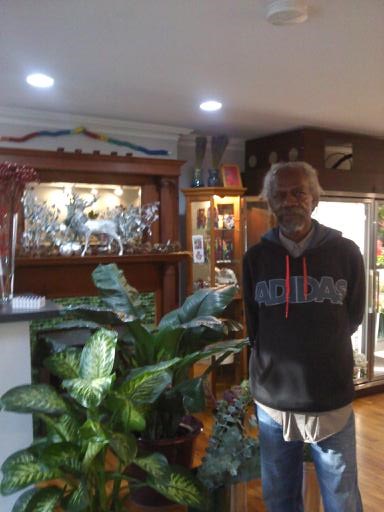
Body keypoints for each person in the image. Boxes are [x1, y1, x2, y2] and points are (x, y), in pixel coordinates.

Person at [242, 161, 365, 512]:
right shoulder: (255, 258)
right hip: (272, 403)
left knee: (341, 498)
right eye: (279, 195)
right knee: (279, 497)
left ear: (315, 199)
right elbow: (255, 324)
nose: (290, 200)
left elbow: (353, 315)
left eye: (299, 192)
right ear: (270, 202)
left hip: (330, 397)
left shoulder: (346, 253)